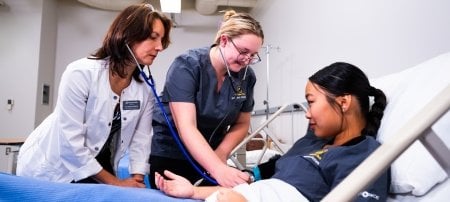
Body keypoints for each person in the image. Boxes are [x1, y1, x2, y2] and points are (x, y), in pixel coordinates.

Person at [154, 62, 390, 201]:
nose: (307, 114)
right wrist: (193, 191)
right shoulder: (310, 143)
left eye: (311, 102)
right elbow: (258, 188)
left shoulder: (365, 155)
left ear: (344, 102)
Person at [16, 3, 172, 188]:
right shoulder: (81, 74)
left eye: (162, 40)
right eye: (153, 38)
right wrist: (116, 183)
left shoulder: (144, 90)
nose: (160, 47)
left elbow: (142, 140)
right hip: (52, 166)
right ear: (127, 36)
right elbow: (70, 143)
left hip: (97, 165)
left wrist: (137, 180)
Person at [149, 10, 264, 189]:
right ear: (224, 40)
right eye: (243, 51)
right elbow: (186, 126)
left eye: (253, 55)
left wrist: (220, 154)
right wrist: (218, 169)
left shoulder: (246, 77)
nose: (247, 60)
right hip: (173, 153)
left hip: (213, 153)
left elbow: (242, 123)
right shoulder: (187, 66)